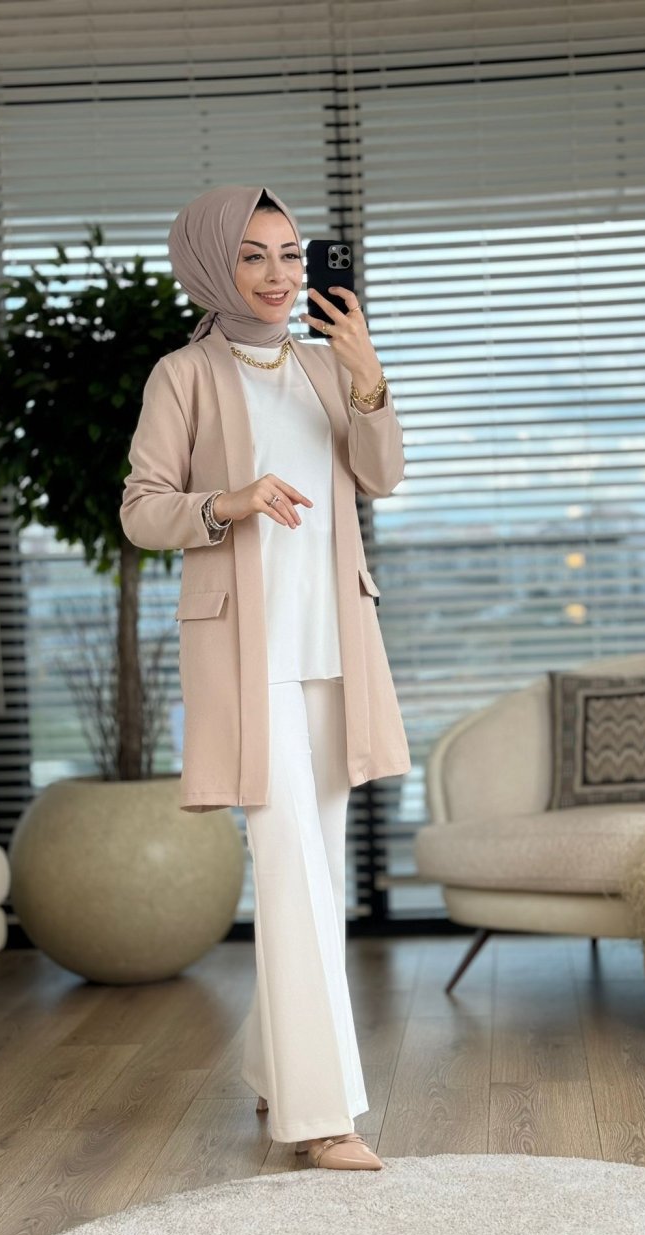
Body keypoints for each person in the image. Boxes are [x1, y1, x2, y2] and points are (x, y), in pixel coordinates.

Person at [120, 185, 411, 1171]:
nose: (280, 275)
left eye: (291, 254)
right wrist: (228, 501)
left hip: (335, 644)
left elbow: (382, 475)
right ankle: (322, 1115)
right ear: (214, 264)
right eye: (254, 255)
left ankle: (272, 1065)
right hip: (248, 658)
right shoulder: (184, 375)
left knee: (316, 866)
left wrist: (367, 375)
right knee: (288, 864)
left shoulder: (327, 365)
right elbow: (141, 509)